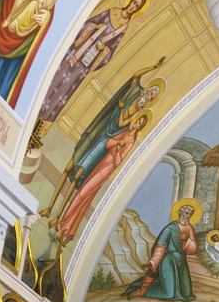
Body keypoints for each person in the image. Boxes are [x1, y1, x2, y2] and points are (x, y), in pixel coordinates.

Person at [42, 56, 166, 224]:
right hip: (98, 130)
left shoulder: (138, 114)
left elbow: (121, 124)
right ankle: (49, 208)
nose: (150, 96)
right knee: (69, 167)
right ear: (148, 90)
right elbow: (136, 75)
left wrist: (120, 109)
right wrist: (154, 66)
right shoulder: (135, 92)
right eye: (151, 93)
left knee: (78, 176)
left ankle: (59, 216)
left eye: (152, 97)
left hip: (105, 141)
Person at [35, 0, 151, 132]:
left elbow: (111, 49)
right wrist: (96, 27)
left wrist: (104, 50)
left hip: (88, 61)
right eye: (134, 3)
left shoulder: (124, 28)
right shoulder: (112, 12)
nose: (133, 6)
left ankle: (43, 120)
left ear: (137, 9)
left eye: (137, 6)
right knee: (57, 76)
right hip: (78, 50)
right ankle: (35, 103)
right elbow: (89, 23)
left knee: (66, 88)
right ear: (130, 1)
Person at [53, 111, 148, 243]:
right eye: (138, 120)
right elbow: (108, 143)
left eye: (140, 123)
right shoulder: (125, 133)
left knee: (83, 193)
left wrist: (117, 150)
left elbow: (118, 162)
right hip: (101, 164)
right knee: (85, 198)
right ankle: (69, 231)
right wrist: (116, 143)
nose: (137, 123)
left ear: (140, 127)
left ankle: (63, 225)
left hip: (107, 169)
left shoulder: (131, 142)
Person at [122, 201, 199, 302]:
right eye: (186, 213)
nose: (188, 216)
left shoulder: (189, 228)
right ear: (180, 213)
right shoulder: (170, 228)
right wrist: (152, 261)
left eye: (190, 214)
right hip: (168, 261)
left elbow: (193, 249)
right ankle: (141, 292)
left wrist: (187, 239)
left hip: (181, 262)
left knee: (187, 293)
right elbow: (160, 247)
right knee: (169, 294)